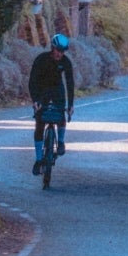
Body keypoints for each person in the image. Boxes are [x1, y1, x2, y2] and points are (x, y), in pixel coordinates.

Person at [29, 33, 75, 174]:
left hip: (57, 90)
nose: (60, 54)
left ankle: (60, 141)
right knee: (40, 123)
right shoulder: (41, 59)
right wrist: (35, 100)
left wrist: (71, 105)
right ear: (52, 48)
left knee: (60, 115)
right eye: (57, 50)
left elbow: (69, 83)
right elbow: (32, 81)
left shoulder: (66, 62)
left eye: (62, 51)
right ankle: (38, 159)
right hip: (42, 90)